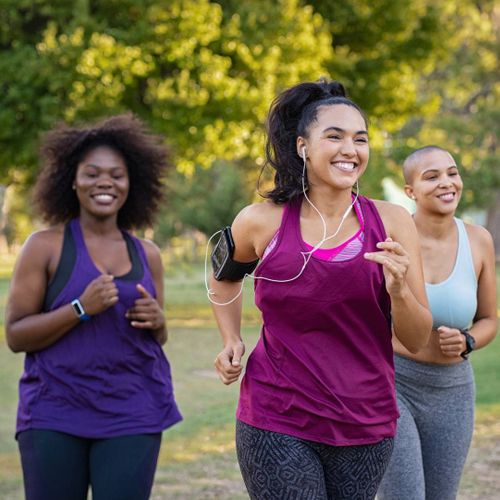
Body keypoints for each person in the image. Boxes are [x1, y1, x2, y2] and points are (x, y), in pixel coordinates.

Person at [209, 79, 433, 500]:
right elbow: (223, 276)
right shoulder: (261, 221)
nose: (351, 149)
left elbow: (417, 339)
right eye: (335, 136)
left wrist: (400, 291)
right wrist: (230, 339)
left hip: (365, 420)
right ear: (302, 147)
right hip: (276, 416)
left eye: (360, 139)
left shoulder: (394, 224)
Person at [5, 114, 182, 500]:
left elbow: (158, 336)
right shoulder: (44, 246)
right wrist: (80, 308)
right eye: (92, 173)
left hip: (133, 410)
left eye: (116, 175)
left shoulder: (147, 254)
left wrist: (160, 321)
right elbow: (16, 336)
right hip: (55, 411)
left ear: (131, 183)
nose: (105, 182)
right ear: (72, 180)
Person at [377, 146, 497, 500]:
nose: (447, 183)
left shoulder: (478, 240)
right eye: (431, 177)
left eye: (452, 173)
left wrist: (468, 341)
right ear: (410, 191)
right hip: (394, 384)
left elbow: (490, 319)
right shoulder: (390, 241)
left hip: (454, 391)